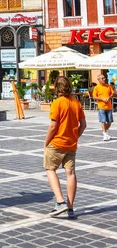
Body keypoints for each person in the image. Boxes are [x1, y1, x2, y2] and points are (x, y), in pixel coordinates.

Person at [44, 76, 86, 218]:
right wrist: (75, 136)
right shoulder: (76, 103)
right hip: (71, 144)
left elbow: (53, 126)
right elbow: (83, 124)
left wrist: (46, 142)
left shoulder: (57, 103)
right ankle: (70, 206)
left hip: (56, 143)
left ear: (57, 88)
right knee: (71, 174)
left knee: (50, 169)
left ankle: (60, 202)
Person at [92, 73, 114, 140]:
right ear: (99, 80)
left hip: (109, 106)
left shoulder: (108, 86)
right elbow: (94, 96)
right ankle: (104, 134)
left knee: (109, 122)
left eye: (104, 78)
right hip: (101, 106)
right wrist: (102, 99)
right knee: (103, 121)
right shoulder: (96, 87)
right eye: (102, 78)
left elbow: (112, 93)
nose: (104, 79)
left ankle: (105, 132)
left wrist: (109, 97)